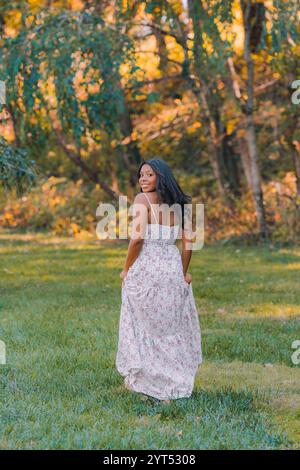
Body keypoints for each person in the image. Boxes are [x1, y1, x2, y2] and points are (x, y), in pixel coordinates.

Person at [116, 158, 202, 401]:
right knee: (169, 327)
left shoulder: (142, 201)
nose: (143, 179)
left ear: (160, 177)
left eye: (149, 175)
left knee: (145, 325)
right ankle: (176, 380)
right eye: (141, 175)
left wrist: (126, 269)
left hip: (147, 269)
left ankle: (150, 380)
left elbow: (137, 240)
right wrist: (182, 272)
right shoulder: (179, 204)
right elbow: (188, 244)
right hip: (171, 268)